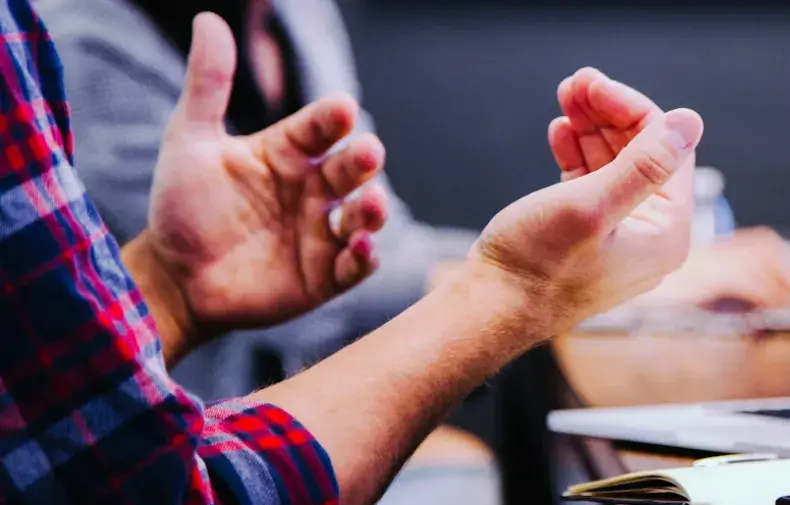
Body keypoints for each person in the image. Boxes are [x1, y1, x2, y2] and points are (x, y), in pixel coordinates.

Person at [2, 1, 703, 503]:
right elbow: (159, 486)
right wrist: (517, 287)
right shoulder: (66, 33)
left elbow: (34, 413)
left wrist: (168, 286)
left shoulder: (301, 16)